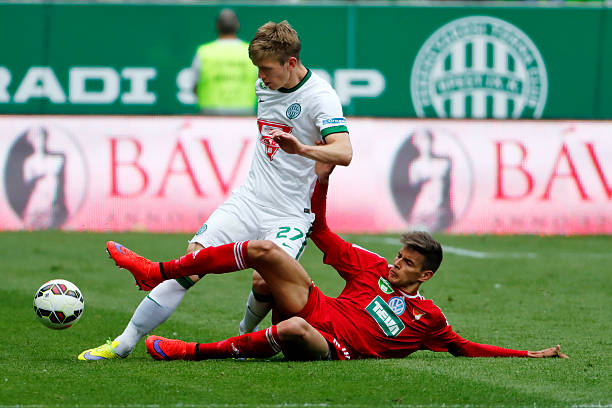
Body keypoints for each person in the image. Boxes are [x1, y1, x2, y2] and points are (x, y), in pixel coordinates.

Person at [78, 20, 352, 360]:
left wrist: (305, 150)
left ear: (291, 63)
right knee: (191, 261)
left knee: (264, 283)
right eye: (258, 69)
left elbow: (344, 152)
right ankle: (123, 343)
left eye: (266, 69)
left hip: (290, 213)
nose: (261, 77)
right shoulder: (264, 85)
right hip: (249, 199)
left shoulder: (320, 97)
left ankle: (244, 337)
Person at [105, 165, 568, 362]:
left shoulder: (429, 319)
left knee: (291, 331)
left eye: (406, 264)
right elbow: (320, 231)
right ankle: (158, 271)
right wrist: (321, 182)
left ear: (424, 276)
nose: (395, 265)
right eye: (398, 256)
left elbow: (465, 347)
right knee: (268, 255)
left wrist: (528, 354)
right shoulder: (370, 267)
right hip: (316, 307)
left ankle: (190, 351)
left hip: (329, 346)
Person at [190, 9, 258, 115]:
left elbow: (194, 86)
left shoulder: (204, 52)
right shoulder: (251, 51)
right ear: (237, 26)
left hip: (210, 113)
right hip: (244, 112)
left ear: (217, 26)